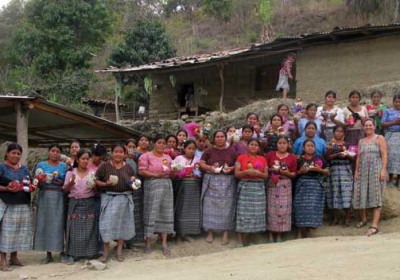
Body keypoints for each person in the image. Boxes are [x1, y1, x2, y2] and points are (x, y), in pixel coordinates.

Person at [95, 143, 137, 262]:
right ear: (112, 153)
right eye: (116, 151)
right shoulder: (105, 166)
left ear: (124, 154)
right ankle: (105, 253)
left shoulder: (128, 167)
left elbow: (133, 181)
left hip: (124, 199)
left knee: (121, 225)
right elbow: (96, 180)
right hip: (109, 198)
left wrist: (134, 184)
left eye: (120, 152)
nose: (118, 154)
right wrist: (105, 184)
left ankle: (119, 252)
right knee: (106, 225)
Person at [138, 135, 174, 256]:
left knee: (165, 212)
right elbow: (141, 171)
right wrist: (154, 175)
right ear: (153, 143)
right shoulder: (146, 156)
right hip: (152, 185)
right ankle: (148, 242)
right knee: (150, 212)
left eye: (163, 143)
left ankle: (164, 242)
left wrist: (175, 171)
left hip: (166, 186)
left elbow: (171, 172)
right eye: (159, 142)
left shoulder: (168, 157)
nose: (161, 145)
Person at [200, 130, 237, 245]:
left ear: (225, 138)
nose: (219, 138)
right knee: (209, 206)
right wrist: (210, 168)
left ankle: (226, 233)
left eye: (222, 137)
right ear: (214, 138)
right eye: (217, 137)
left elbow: (237, 164)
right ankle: (210, 232)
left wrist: (231, 168)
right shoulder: (209, 150)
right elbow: (201, 163)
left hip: (227, 182)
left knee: (227, 207)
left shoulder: (231, 150)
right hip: (211, 181)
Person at [0, 143, 33, 271]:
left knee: (19, 232)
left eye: (18, 153)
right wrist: (6, 188)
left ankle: (14, 257)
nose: (16, 156)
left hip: (23, 204)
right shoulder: (2, 168)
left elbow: (28, 183)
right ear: (7, 154)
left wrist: (31, 186)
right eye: (13, 153)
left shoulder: (24, 169)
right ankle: (3, 260)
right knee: (6, 233)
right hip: (7, 204)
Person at [33, 143, 67, 264]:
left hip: (59, 196)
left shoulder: (63, 166)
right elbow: (35, 182)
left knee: (59, 223)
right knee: (45, 223)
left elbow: (66, 181)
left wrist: (60, 182)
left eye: (57, 151)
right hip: (45, 196)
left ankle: (61, 251)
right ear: (49, 152)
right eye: (53, 151)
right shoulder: (41, 165)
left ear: (60, 153)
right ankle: (48, 253)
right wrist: (40, 180)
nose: (55, 153)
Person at [62, 149, 98, 262]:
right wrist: (71, 184)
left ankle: (89, 253)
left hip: (89, 203)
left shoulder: (92, 173)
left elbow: (97, 191)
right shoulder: (71, 173)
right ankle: (74, 254)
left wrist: (94, 187)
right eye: (83, 158)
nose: (85, 161)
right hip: (74, 203)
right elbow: (64, 190)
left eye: (87, 159)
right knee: (74, 229)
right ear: (77, 159)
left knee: (89, 229)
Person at [353, 119, 387, 236]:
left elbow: (384, 155)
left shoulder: (379, 138)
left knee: (376, 196)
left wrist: (383, 170)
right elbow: (358, 157)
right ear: (363, 127)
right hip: (362, 171)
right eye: (366, 125)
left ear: (374, 126)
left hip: (376, 170)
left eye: (370, 125)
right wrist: (356, 171)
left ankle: (374, 225)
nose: (368, 127)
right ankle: (363, 219)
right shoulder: (361, 141)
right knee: (360, 194)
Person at [235, 139, 268, 247]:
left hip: (258, 188)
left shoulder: (262, 159)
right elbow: (236, 174)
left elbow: (266, 175)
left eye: (256, 145)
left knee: (256, 214)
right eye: (251, 144)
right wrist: (246, 172)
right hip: (245, 187)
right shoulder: (241, 157)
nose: (253, 146)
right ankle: (240, 241)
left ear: (258, 148)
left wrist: (258, 173)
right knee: (242, 213)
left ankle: (251, 240)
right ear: (247, 146)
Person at [294, 140, 329, 238]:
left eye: (312, 146)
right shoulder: (299, 159)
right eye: (308, 146)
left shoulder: (319, 158)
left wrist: (319, 170)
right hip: (302, 186)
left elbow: (327, 171)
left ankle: (309, 231)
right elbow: (294, 173)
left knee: (312, 209)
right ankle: (300, 232)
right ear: (303, 148)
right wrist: (300, 171)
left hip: (315, 186)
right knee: (300, 208)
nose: (310, 147)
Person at [265, 136, 297, 242]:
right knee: (271, 209)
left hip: (285, 185)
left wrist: (285, 172)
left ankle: (279, 234)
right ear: (276, 144)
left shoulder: (292, 157)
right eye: (280, 143)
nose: (282, 145)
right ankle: (270, 234)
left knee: (283, 210)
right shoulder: (270, 155)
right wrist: (272, 169)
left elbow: (293, 174)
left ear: (288, 145)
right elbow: (265, 168)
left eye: (284, 143)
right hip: (272, 184)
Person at [172, 140, 202, 241]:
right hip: (182, 187)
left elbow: (201, 173)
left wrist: (196, 174)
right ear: (184, 148)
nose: (191, 151)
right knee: (181, 209)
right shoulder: (178, 158)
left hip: (194, 187)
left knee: (192, 210)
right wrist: (179, 173)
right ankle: (179, 233)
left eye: (193, 149)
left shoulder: (198, 159)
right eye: (189, 148)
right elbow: (173, 173)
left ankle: (188, 233)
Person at [325, 125, 354, 226]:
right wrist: (335, 153)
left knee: (347, 194)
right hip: (333, 171)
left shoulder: (348, 144)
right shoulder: (329, 144)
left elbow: (353, 158)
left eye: (341, 131)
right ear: (333, 132)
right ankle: (335, 218)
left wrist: (346, 153)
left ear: (344, 134)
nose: (339, 133)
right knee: (334, 194)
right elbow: (326, 158)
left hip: (345, 170)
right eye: (337, 131)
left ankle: (347, 217)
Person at [381, 93, 400, 187]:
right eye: (396, 101)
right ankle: (391, 178)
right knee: (391, 156)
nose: (398, 103)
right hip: (391, 135)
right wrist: (394, 122)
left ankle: (398, 180)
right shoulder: (387, 111)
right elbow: (382, 124)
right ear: (393, 102)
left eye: (399, 102)